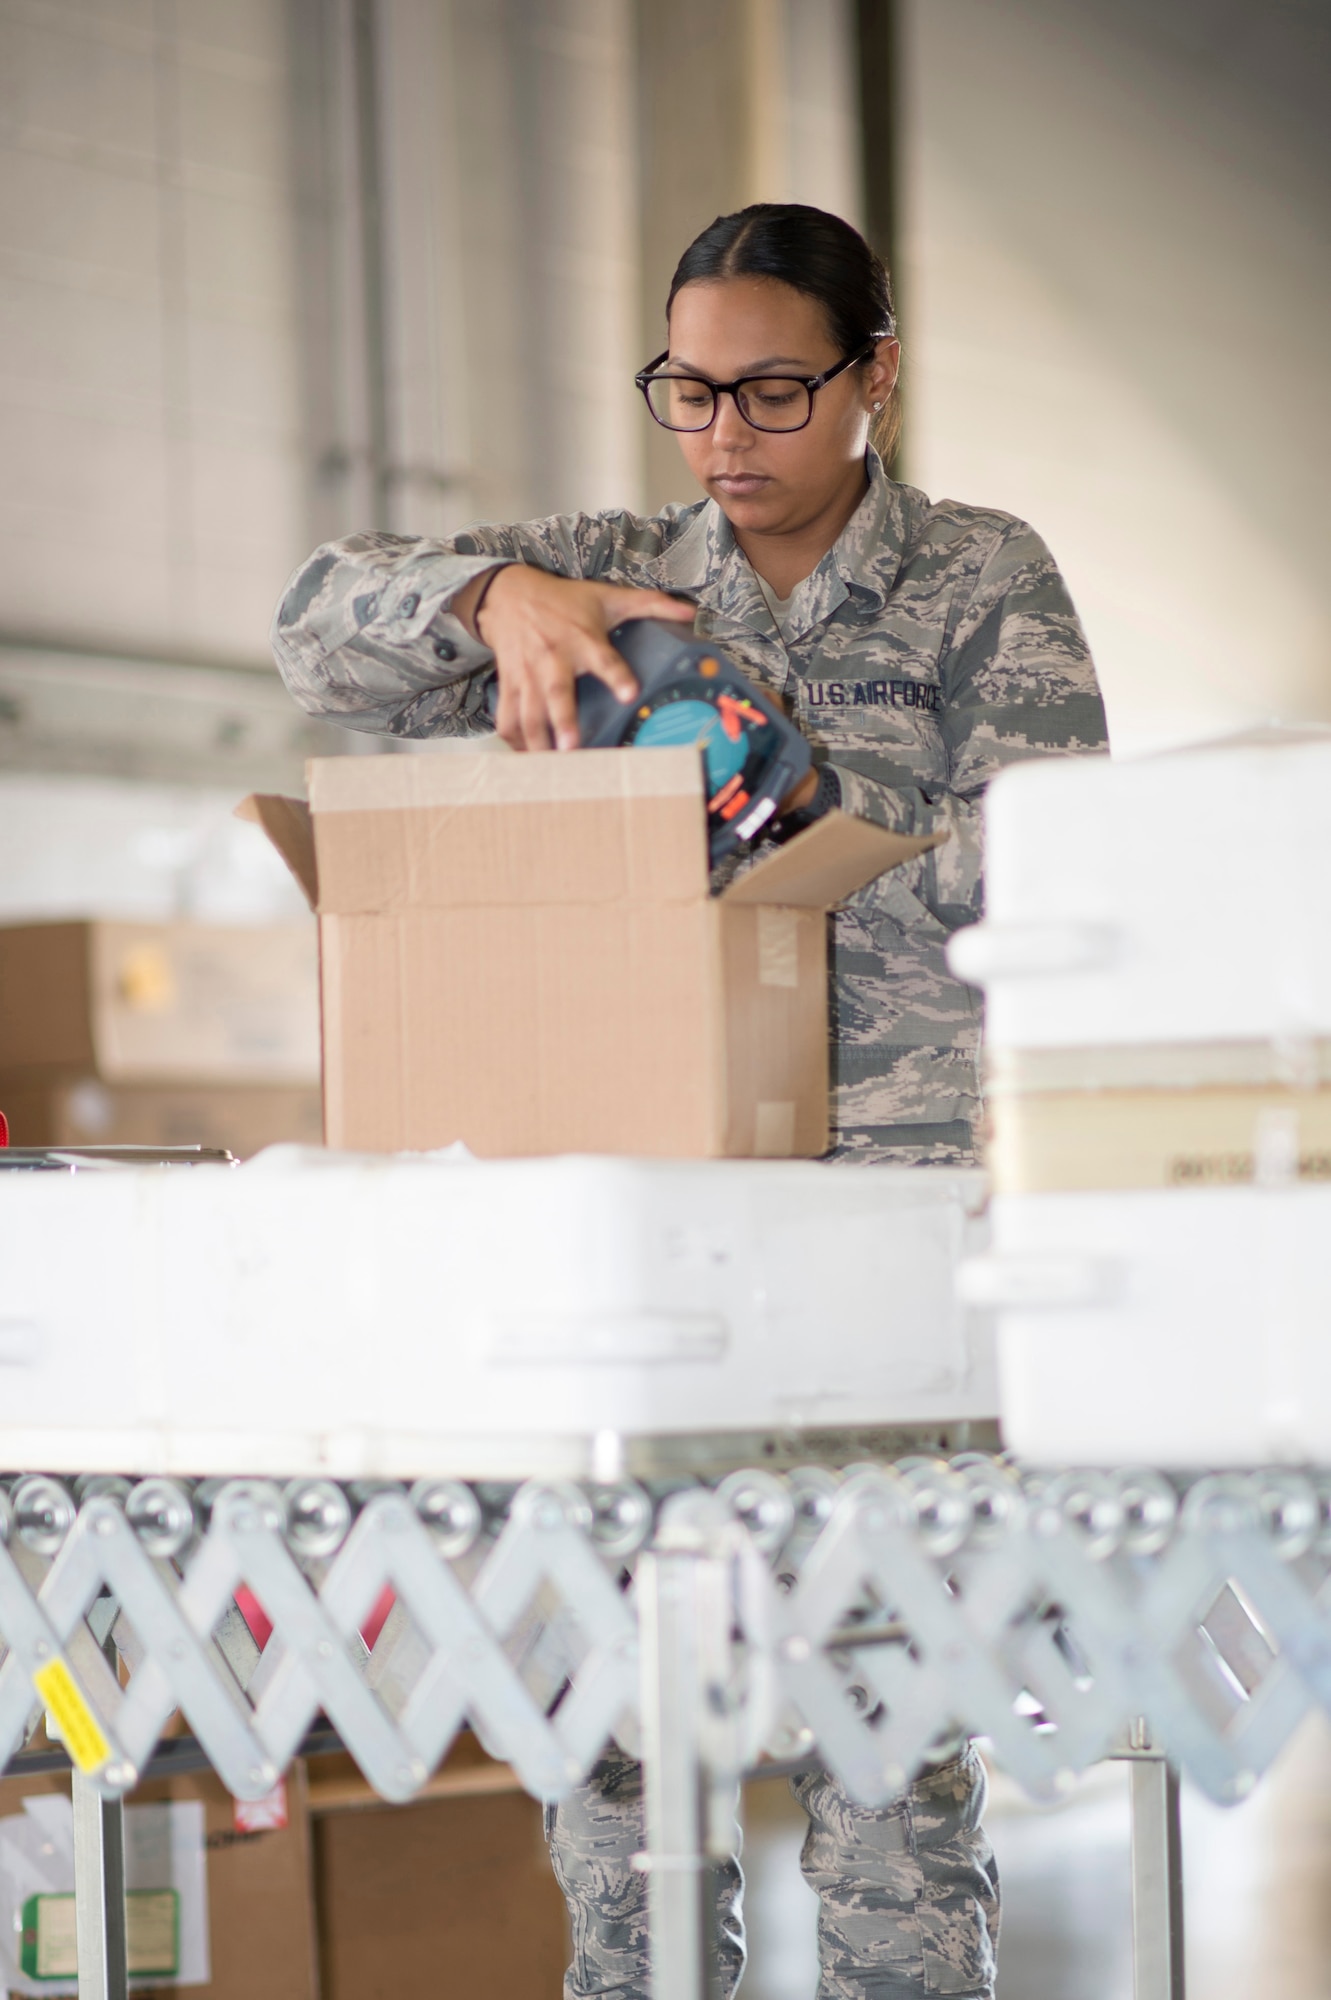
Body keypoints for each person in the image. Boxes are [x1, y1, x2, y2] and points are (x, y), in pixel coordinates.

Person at [271, 203, 1107, 2000]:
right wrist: (503, 600)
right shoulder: (613, 557)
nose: (728, 436)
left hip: (885, 1223)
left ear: (878, 374)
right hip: (644, 1230)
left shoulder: (980, 576)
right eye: (690, 391)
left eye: (778, 390)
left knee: (883, 1736)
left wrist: (814, 835)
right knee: (617, 1752)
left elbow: (1060, 856)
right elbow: (313, 630)